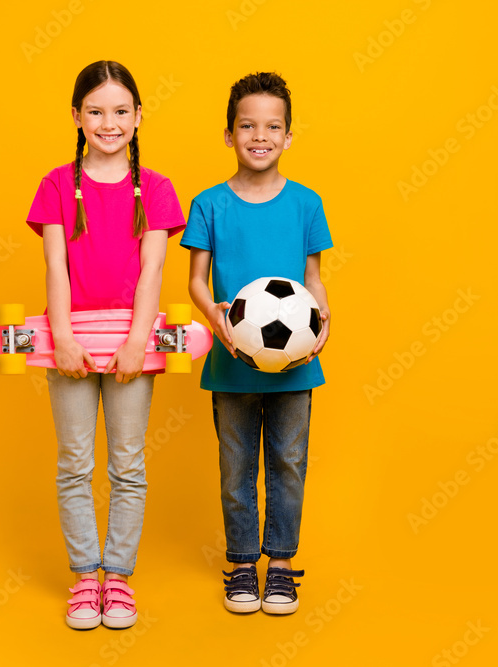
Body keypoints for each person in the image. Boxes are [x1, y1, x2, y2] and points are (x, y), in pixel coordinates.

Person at [26, 60, 186, 629]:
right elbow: (56, 265)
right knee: (74, 463)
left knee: (126, 463)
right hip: (70, 341)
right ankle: (84, 577)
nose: (109, 122)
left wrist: (138, 341)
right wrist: (63, 337)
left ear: (139, 117)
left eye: (121, 111)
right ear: (76, 116)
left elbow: (153, 273)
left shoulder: (159, 190)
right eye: (96, 111)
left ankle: (117, 579)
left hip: (130, 343)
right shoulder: (55, 185)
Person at [181, 71, 332, 615]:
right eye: (247, 125)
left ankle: (283, 566)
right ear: (229, 134)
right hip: (233, 358)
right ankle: (243, 563)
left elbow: (313, 278)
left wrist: (322, 314)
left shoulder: (306, 203)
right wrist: (213, 313)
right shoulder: (209, 204)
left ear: (289, 136)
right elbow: (197, 279)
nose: (259, 135)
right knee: (236, 461)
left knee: (289, 461)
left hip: (296, 362)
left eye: (273, 126)